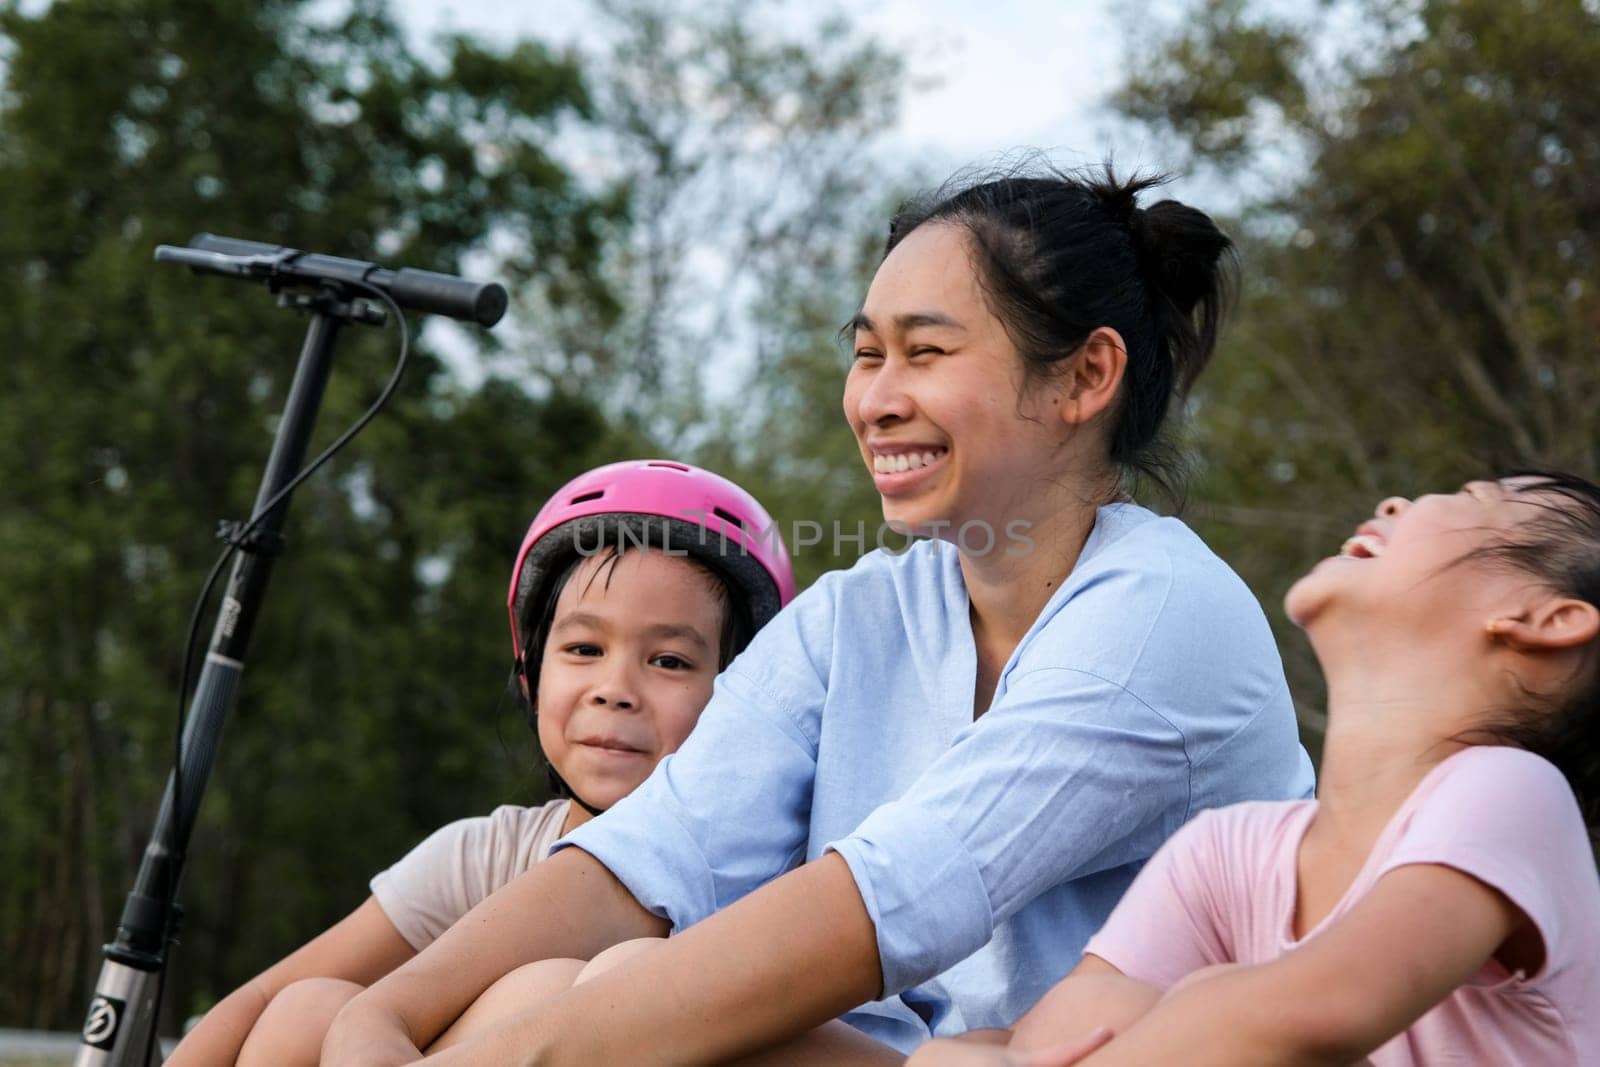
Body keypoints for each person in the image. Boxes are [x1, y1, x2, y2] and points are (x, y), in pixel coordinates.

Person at [321, 165, 1316, 1066]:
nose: (876, 399)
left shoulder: (1160, 618)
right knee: (530, 986)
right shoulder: (858, 615)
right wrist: (387, 1012)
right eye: (865, 353)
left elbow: (881, 901)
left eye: (924, 351)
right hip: (909, 1053)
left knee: (598, 1001)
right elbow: (651, 853)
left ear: (1083, 377)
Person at [910, 472, 1600, 1066]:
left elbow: (1326, 1008)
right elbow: (1053, 1034)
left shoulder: (1515, 790)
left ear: (1544, 617)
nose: (1396, 502)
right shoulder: (1227, 850)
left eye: (1467, 496)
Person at [165, 459, 795, 1066]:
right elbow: (257, 1003)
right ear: (530, 673)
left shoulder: (774, 877)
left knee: (565, 988)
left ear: (740, 695)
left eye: (669, 661)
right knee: (306, 1008)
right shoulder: (488, 855)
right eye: (583, 647)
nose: (616, 687)